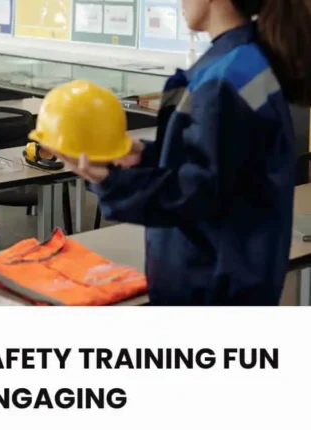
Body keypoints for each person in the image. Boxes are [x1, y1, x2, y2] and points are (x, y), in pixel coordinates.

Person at [47, 0, 311, 305]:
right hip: (237, 273)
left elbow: (198, 191)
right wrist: (142, 155)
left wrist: (111, 181)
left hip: (212, 288)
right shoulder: (247, 62)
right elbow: (224, 160)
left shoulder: (224, 77)